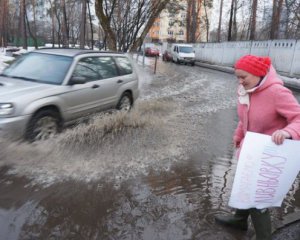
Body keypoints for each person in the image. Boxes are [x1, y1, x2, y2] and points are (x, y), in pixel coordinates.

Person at [214, 55, 300, 240]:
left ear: (258, 74)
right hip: (251, 151)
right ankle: (239, 220)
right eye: (237, 76)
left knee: (257, 200)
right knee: (244, 185)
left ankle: (264, 236)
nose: (239, 81)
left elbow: (298, 118)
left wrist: (287, 132)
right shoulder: (245, 91)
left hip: (270, 155)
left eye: (243, 77)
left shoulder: (277, 92)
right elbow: (244, 119)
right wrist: (238, 135)